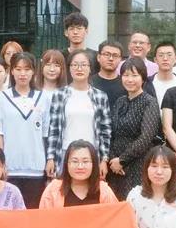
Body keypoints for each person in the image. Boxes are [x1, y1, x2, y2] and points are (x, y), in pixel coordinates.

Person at [0, 52, 48, 208]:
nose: (23, 73)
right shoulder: (1, 98)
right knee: (8, 214)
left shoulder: (43, 98)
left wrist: (48, 161)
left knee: (32, 214)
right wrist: (1, 164)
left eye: (27, 69)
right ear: (11, 71)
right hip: (10, 169)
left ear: (34, 71)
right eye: (18, 69)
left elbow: (46, 134)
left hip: (36, 168)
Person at [44, 50, 112, 178]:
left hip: (91, 154)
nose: (79, 68)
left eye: (83, 65)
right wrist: (50, 158)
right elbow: (53, 129)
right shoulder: (60, 95)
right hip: (65, 152)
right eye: (75, 65)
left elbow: (105, 131)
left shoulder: (100, 96)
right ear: (69, 68)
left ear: (90, 68)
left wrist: (104, 159)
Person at [106, 59, 161, 200]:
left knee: (134, 202)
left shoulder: (150, 102)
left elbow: (146, 137)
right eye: (126, 75)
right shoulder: (120, 101)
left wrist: (122, 160)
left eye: (134, 75)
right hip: (114, 166)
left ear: (143, 78)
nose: (130, 80)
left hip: (137, 163)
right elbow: (110, 133)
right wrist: (113, 160)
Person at [40, 141, 119, 208]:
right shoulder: (52, 190)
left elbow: (116, 217)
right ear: (67, 164)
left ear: (94, 164)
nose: (80, 166)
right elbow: (44, 218)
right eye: (75, 161)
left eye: (85, 161)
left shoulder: (104, 191)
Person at [36, 49, 67, 144]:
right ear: (41, 67)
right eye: (48, 65)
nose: (52, 69)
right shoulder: (33, 91)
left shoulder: (66, 93)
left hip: (59, 139)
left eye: (57, 65)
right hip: (37, 138)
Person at [62, 12, 98, 77]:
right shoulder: (60, 56)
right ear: (66, 32)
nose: (75, 32)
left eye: (79, 28)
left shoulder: (96, 57)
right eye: (71, 29)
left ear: (86, 31)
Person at [91, 41, 126, 107]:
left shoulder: (126, 83)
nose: (111, 59)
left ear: (120, 59)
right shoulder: (89, 83)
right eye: (107, 54)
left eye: (115, 56)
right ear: (98, 57)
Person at [149, 41, 176, 108]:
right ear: (155, 60)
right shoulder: (146, 83)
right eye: (161, 55)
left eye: (169, 55)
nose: (165, 59)